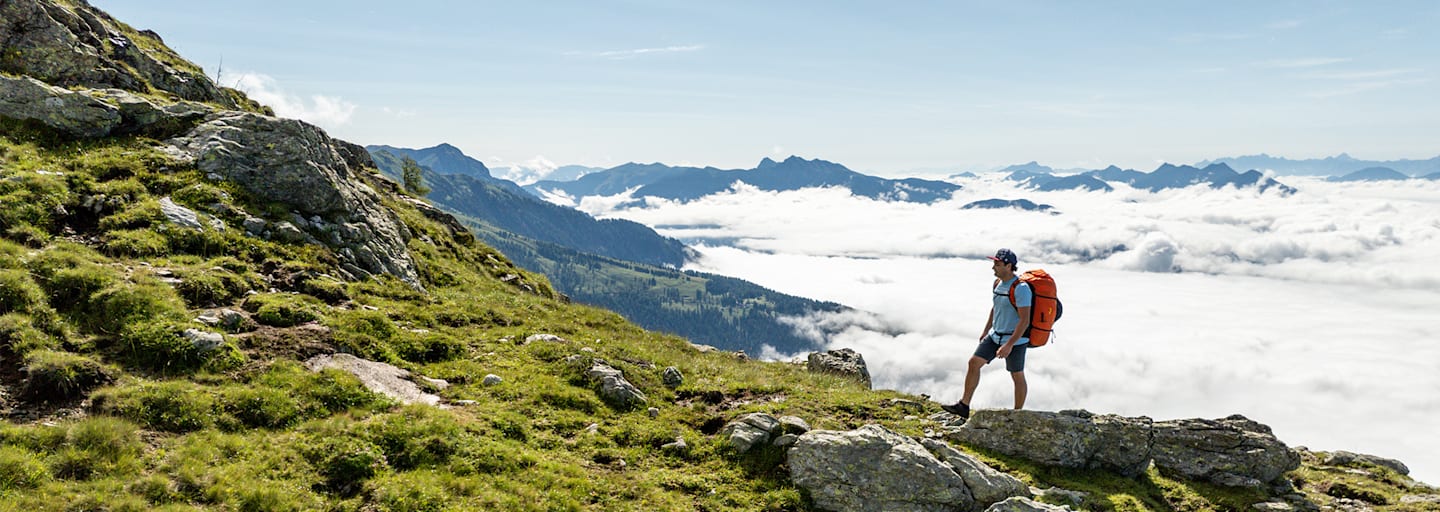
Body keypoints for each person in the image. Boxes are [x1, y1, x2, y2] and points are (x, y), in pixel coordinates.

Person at [942, 248, 1031, 419]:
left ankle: (1018, 415)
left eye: (997, 264)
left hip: (1015, 339)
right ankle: (964, 406)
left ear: (1009, 265)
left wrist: (1009, 344)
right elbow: (996, 307)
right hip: (995, 335)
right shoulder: (997, 283)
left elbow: (1024, 320)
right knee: (974, 363)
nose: (993, 267)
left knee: (1016, 374)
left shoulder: (1021, 288)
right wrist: (986, 330)